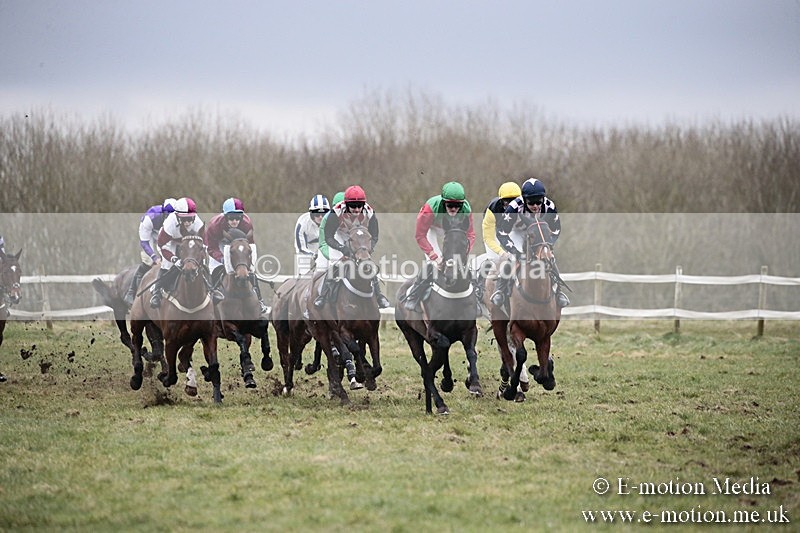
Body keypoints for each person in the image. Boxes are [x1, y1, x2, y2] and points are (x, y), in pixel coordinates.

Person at [491, 176, 570, 308]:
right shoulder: (514, 207)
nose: (535, 206)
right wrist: (515, 251)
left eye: (538, 202)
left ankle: (559, 292)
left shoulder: (549, 206)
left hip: (538, 234)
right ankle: (500, 289)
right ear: (524, 200)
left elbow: (556, 230)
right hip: (516, 232)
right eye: (531, 202)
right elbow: (502, 233)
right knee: (512, 258)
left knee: (550, 257)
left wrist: (548, 245)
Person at [402, 181, 476, 311]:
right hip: (432, 229)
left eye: (457, 205)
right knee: (435, 264)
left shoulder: (466, 209)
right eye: (450, 205)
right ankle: (414, 295)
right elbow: (420, 235)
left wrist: (464, 253)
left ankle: (476, 297)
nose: (453, 208)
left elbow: (470, 235)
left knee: (462, 264)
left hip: (455, 232)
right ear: (443, 202)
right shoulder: (430, 208)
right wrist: (434, 256)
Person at [314, 185, 390, 309]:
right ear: (346, 203)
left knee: (367, 262)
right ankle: (323, 296)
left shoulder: (369, 212)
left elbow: (374, 236)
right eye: (353, 205)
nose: (356, 209)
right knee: (336, 263)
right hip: (338, 235)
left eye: (359, 205)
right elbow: (328, 237)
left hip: (359, 237)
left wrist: (367, 249)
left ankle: (379, 295)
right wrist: (342, 248)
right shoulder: (336, 212)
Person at [204, 197, 267, 314]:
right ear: (225, 216)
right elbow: (211, 248)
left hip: (238, 246)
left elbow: (250, 245)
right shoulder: (214, 225)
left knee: (249, 272)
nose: (235, 221)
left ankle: (259, 299)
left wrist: (248, 262)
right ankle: (211, 298)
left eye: (238, 217)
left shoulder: (247, 223)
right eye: (231, 217)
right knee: (214, 271)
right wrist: (222, 258)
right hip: (219, 246)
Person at [150, 197, 205, 308]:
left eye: (190, 219)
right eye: (185, 219)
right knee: (168, 265)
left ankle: (211, 289)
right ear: (177, 216)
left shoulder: (198, 223)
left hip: (188, 242)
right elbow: (162, 245)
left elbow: (204, 244)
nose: (188, 222)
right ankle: (156, 292)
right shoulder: (169, 223)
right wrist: (174, 259)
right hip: (169, 242)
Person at [124, 198, 178, 305]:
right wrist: (154, 257)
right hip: (151, 231)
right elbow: (144, 243)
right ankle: (131, 292)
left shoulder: (176, 219)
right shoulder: (150, 218)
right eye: (167, 217)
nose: (169, 219)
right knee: (148, 260)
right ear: (163, 214)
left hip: (164, 232)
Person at [482, 182, 522, 259]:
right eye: (507, 202)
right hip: (495, 228)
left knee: (517, 255)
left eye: (515, 201)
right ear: (501, 201)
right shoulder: (492, 211)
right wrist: (501, 252)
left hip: (512, 229)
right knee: (495, 259)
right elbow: (489, 238)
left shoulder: (525, 207)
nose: (511, 206)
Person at [294, 194, 330, 276]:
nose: (320, 217)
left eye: (324, 214)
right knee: (304, 275)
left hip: (322, 247)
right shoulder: (302, 223)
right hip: (305, 250)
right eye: (317, 214)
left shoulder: (331, 221)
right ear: (311, 213)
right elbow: (301, 247)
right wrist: (313, 255)